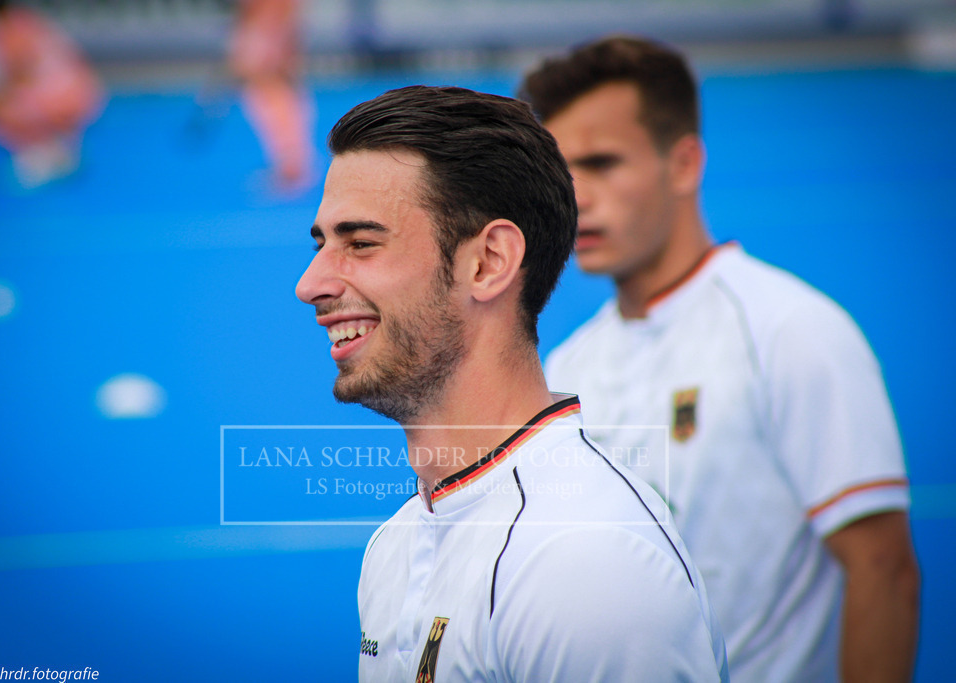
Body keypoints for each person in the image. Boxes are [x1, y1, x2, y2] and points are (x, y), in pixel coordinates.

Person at [519, 35, 920, 682]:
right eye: (561, 173)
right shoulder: (563, 371)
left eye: (601, 163)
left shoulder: (790, 329)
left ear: (683, 164)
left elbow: (884, 570)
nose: (577, 196)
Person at [295, 85, 729, 681]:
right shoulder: (395, 544)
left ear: (489, 262)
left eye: (362, 244)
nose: (310, 283)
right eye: (323, 245)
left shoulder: (584, 564)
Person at [0, 0, 103, 188]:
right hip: (84, 94)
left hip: (56, 99)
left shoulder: (9, 28)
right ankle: (55, 151)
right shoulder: (31, 21)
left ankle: (41, 154)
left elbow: (21, 68)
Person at [227, 0, 315, 191]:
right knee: (266, 94)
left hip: (269, 31)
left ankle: (293, 167)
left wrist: (276, 38)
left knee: (272, 92)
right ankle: (290, 165)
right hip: (267, 30)